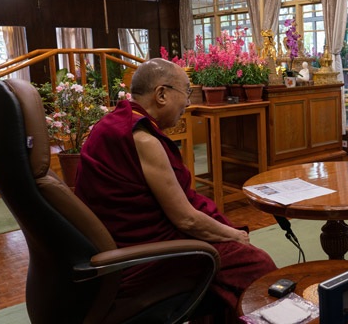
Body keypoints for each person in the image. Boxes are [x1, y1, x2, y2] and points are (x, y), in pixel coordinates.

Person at [74, 59, 277, 313]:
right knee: (257, 265)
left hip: (118, 244)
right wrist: (233, 235)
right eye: (187, 93)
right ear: (161, 94)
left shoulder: (111, 123)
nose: (188, 103)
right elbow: (187, 220)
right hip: (146, 257)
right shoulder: (142, 139)